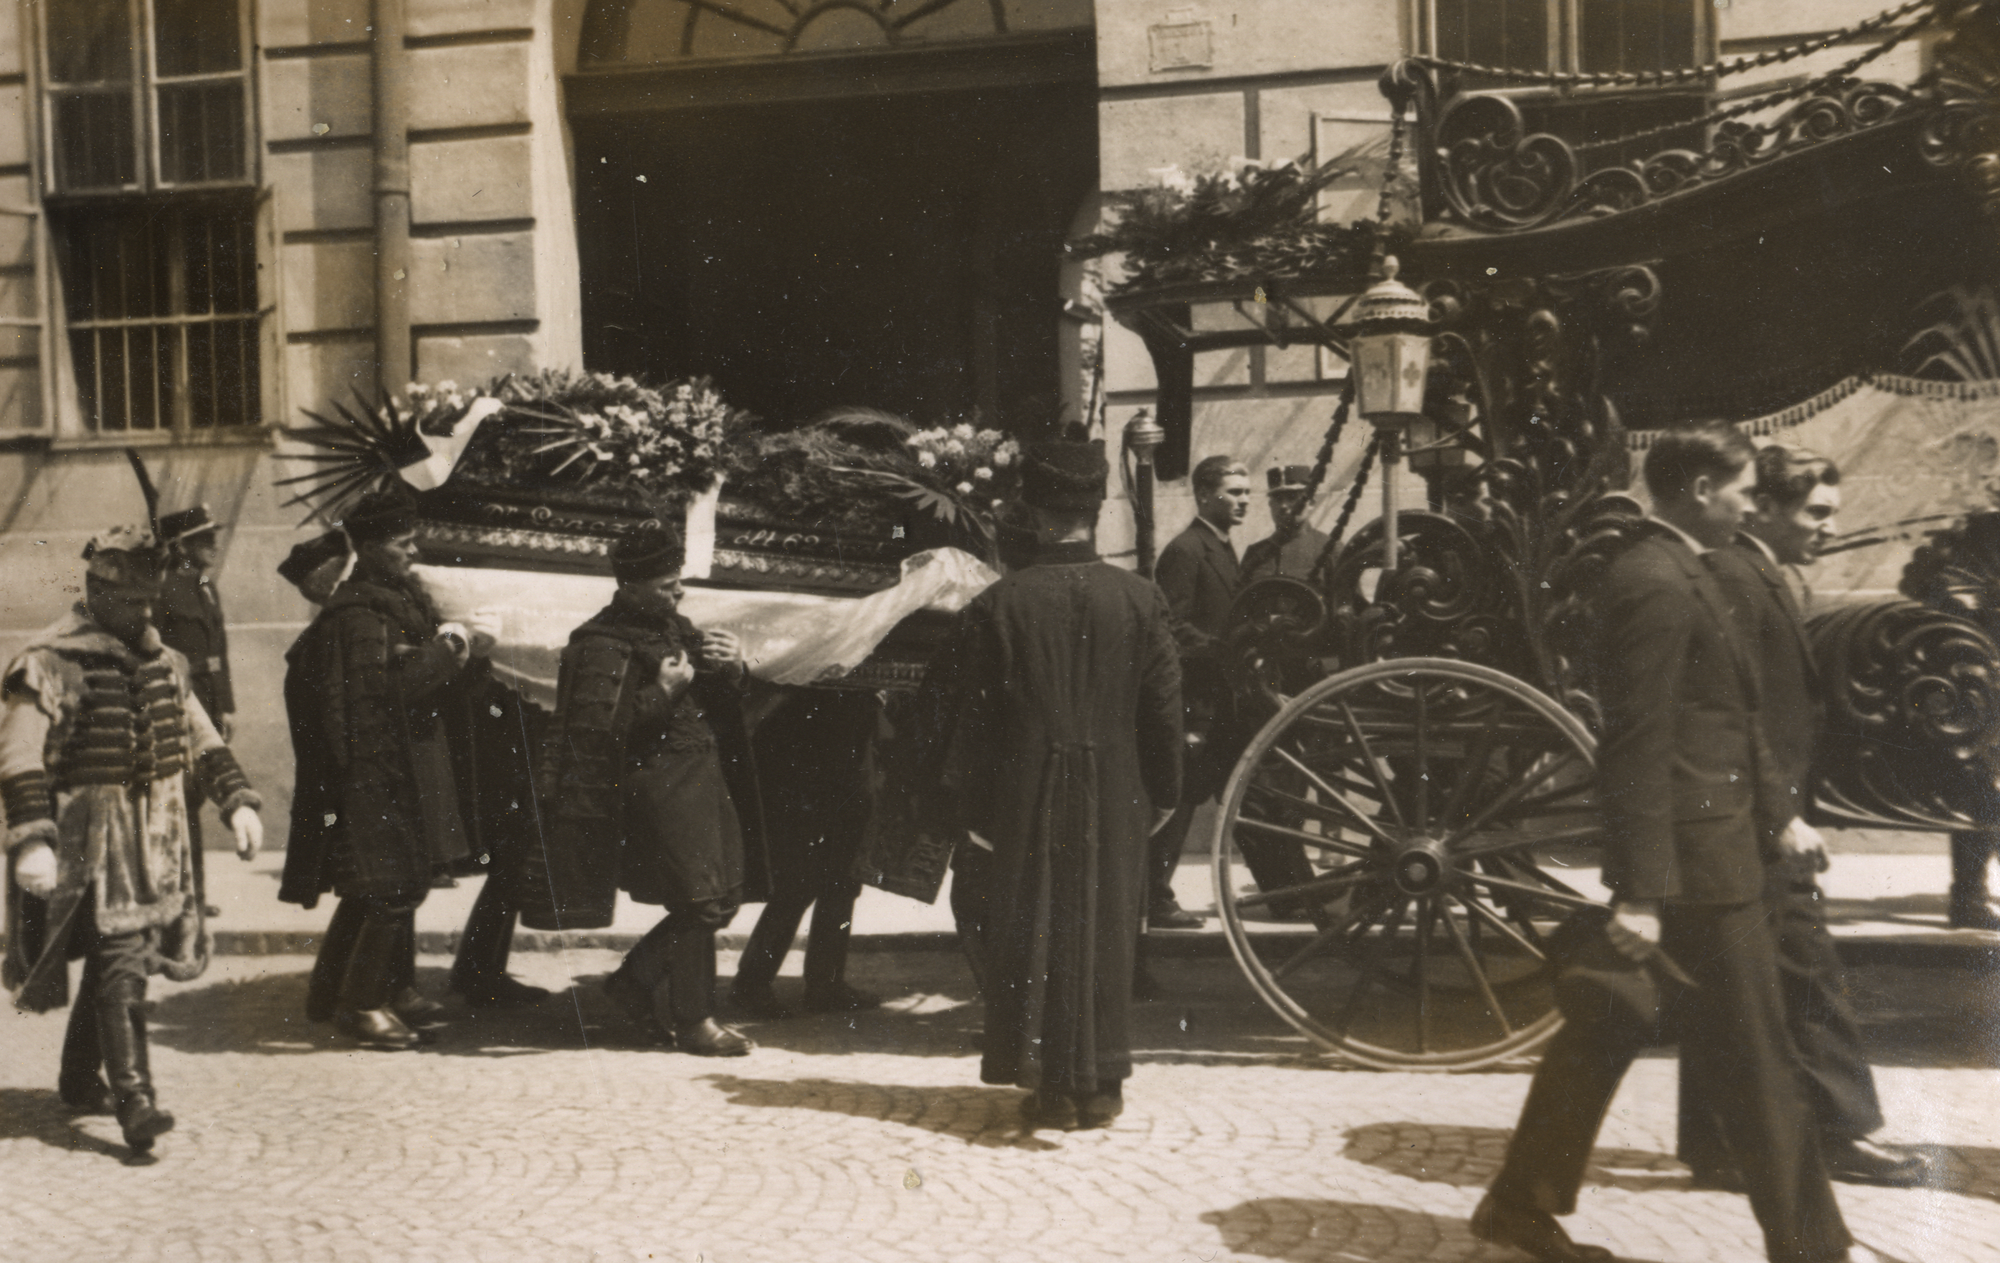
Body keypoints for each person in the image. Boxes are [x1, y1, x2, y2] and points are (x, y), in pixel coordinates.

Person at [1475, 425, 1864, 1263]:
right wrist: (1640, 892)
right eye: (1744, 491)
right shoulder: (1650, 579)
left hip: (1721, 856)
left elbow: (1735, 715)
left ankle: (1517, 1206)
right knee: (1758, 1060)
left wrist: (1778, 817)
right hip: (1694, 873)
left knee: (1607, 1029)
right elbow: (1637, 743)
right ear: (1698, 489)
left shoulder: (1693, 569)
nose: (1752, 506)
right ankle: (1814, 1249)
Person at [919, 436, 1182, 1130]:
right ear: (1097, 511)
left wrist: (974, 809)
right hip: (1118, 785)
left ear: (1034, 513)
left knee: (1034, 926)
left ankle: (1052, 1087)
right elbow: (1163, 710)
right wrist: (1166, 792)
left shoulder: (998, 604)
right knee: (1107, 928)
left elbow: (976, 723)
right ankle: (1104, 1083)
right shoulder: (1141, 598)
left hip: (1025, 789)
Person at [1682, 447, 1925, 1191]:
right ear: (1766, 508)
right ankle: (1839, 1133)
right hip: (1755, 822)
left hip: (1757, 818)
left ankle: (1720, 1147)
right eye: (1816, 511)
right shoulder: (1736, 576)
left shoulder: (1763, 573)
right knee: (1805, 970)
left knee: (1741, 979)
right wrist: (1780, 815)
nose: (1829, 526)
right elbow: (1733, 712)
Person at [1, 525, 264, 1158]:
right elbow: (18, 755)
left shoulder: (165, 663)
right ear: (96, 593)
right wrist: (32, 841)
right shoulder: (48, 661)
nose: (145, 613)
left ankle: (77, 1076)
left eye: (151, 600)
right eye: (131, 601)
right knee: (121, 958)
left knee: (119, 958)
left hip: (157, 839)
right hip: (90, 844)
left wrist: (237, 802)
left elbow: (201, 738)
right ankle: (135, 1100)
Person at [521, 525, 765, 1056]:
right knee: (699, 902)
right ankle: (694, 1020)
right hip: (658, 784)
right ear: (629, 587)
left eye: (678, 582)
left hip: (701, 777)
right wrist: (662, 692)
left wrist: (733, 667)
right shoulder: (599, 642)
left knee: (722, 899)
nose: (678, 593)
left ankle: (633, 982)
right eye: (665, 585)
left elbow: (716, 693)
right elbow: (596, 731)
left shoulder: (674, 627)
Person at [278, 488, 493, 1051]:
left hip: (405, 762)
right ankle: (361, 1005)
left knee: (379, 888)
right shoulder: (359, 615)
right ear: (371, 548)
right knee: (392, 887)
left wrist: (459, 653)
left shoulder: (392, 599)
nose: (414, 552)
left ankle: (341, 989)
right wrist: (448, 647)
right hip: (380, 770)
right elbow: (388, 691)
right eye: (403, 543)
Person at [731, 687, 883, 1018]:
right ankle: (752, 983)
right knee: (797, 884)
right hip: (805, 766)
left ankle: (826, 985)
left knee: (843, 882)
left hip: (850, 763)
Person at [1147, 455, 1251, 930]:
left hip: (1223, 698)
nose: (1244, 501)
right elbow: (1170, 626)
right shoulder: (1186, 551)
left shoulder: (1222, 547)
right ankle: (1154, 897)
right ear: (1204, 495)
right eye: (1234, 492)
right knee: (1184, 797)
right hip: (1199, 701)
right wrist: (1223, 650)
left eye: (1247, 492)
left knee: (1247, 793)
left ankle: (1290, 892)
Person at [155, 505, 233, 919]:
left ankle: (194, 896)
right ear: (181, 547)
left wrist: (227, 706)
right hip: (179, 706)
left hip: (209, 704)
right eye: (204, 539)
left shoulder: (206, 587)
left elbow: (220, 651)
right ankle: (185, 897)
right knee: (181, 801)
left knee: (194, 800)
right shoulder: (163, 590)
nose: (213, 546)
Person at [1239, 464, 1330, 583]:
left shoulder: (1329, 549)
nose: (1283, 506)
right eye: (1278, 499)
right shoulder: (1255, 553)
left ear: (1311, 503)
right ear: (1270, 505)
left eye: (1292, 498)